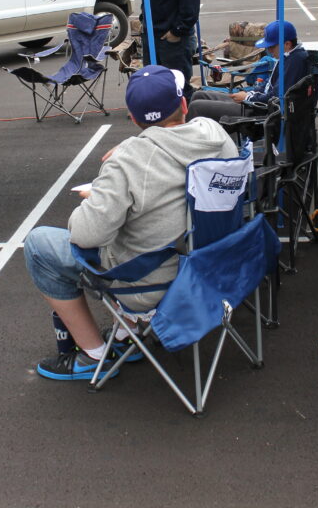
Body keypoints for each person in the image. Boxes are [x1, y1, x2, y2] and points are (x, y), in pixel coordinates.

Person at [23, 65, 237, 380]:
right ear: (183, 105)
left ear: (134, 119)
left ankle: (93, 355)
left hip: (153, 285)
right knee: (145, 230)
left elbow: (84, 235)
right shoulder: (214, 133)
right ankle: (127, 333)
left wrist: (95, 198)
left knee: (39, 244)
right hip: (213, 271)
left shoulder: (127, 163)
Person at [187, 20, 310, 122]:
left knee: (196, 107)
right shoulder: (286, 57)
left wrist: (248, 97)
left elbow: (277, 97)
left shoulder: (294, 62)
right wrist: (249, 92)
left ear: (287, 44)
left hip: (260, 110)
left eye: (271, 46)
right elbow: (268, 87)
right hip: (255, 101)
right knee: (198, 95)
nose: (269, 50)